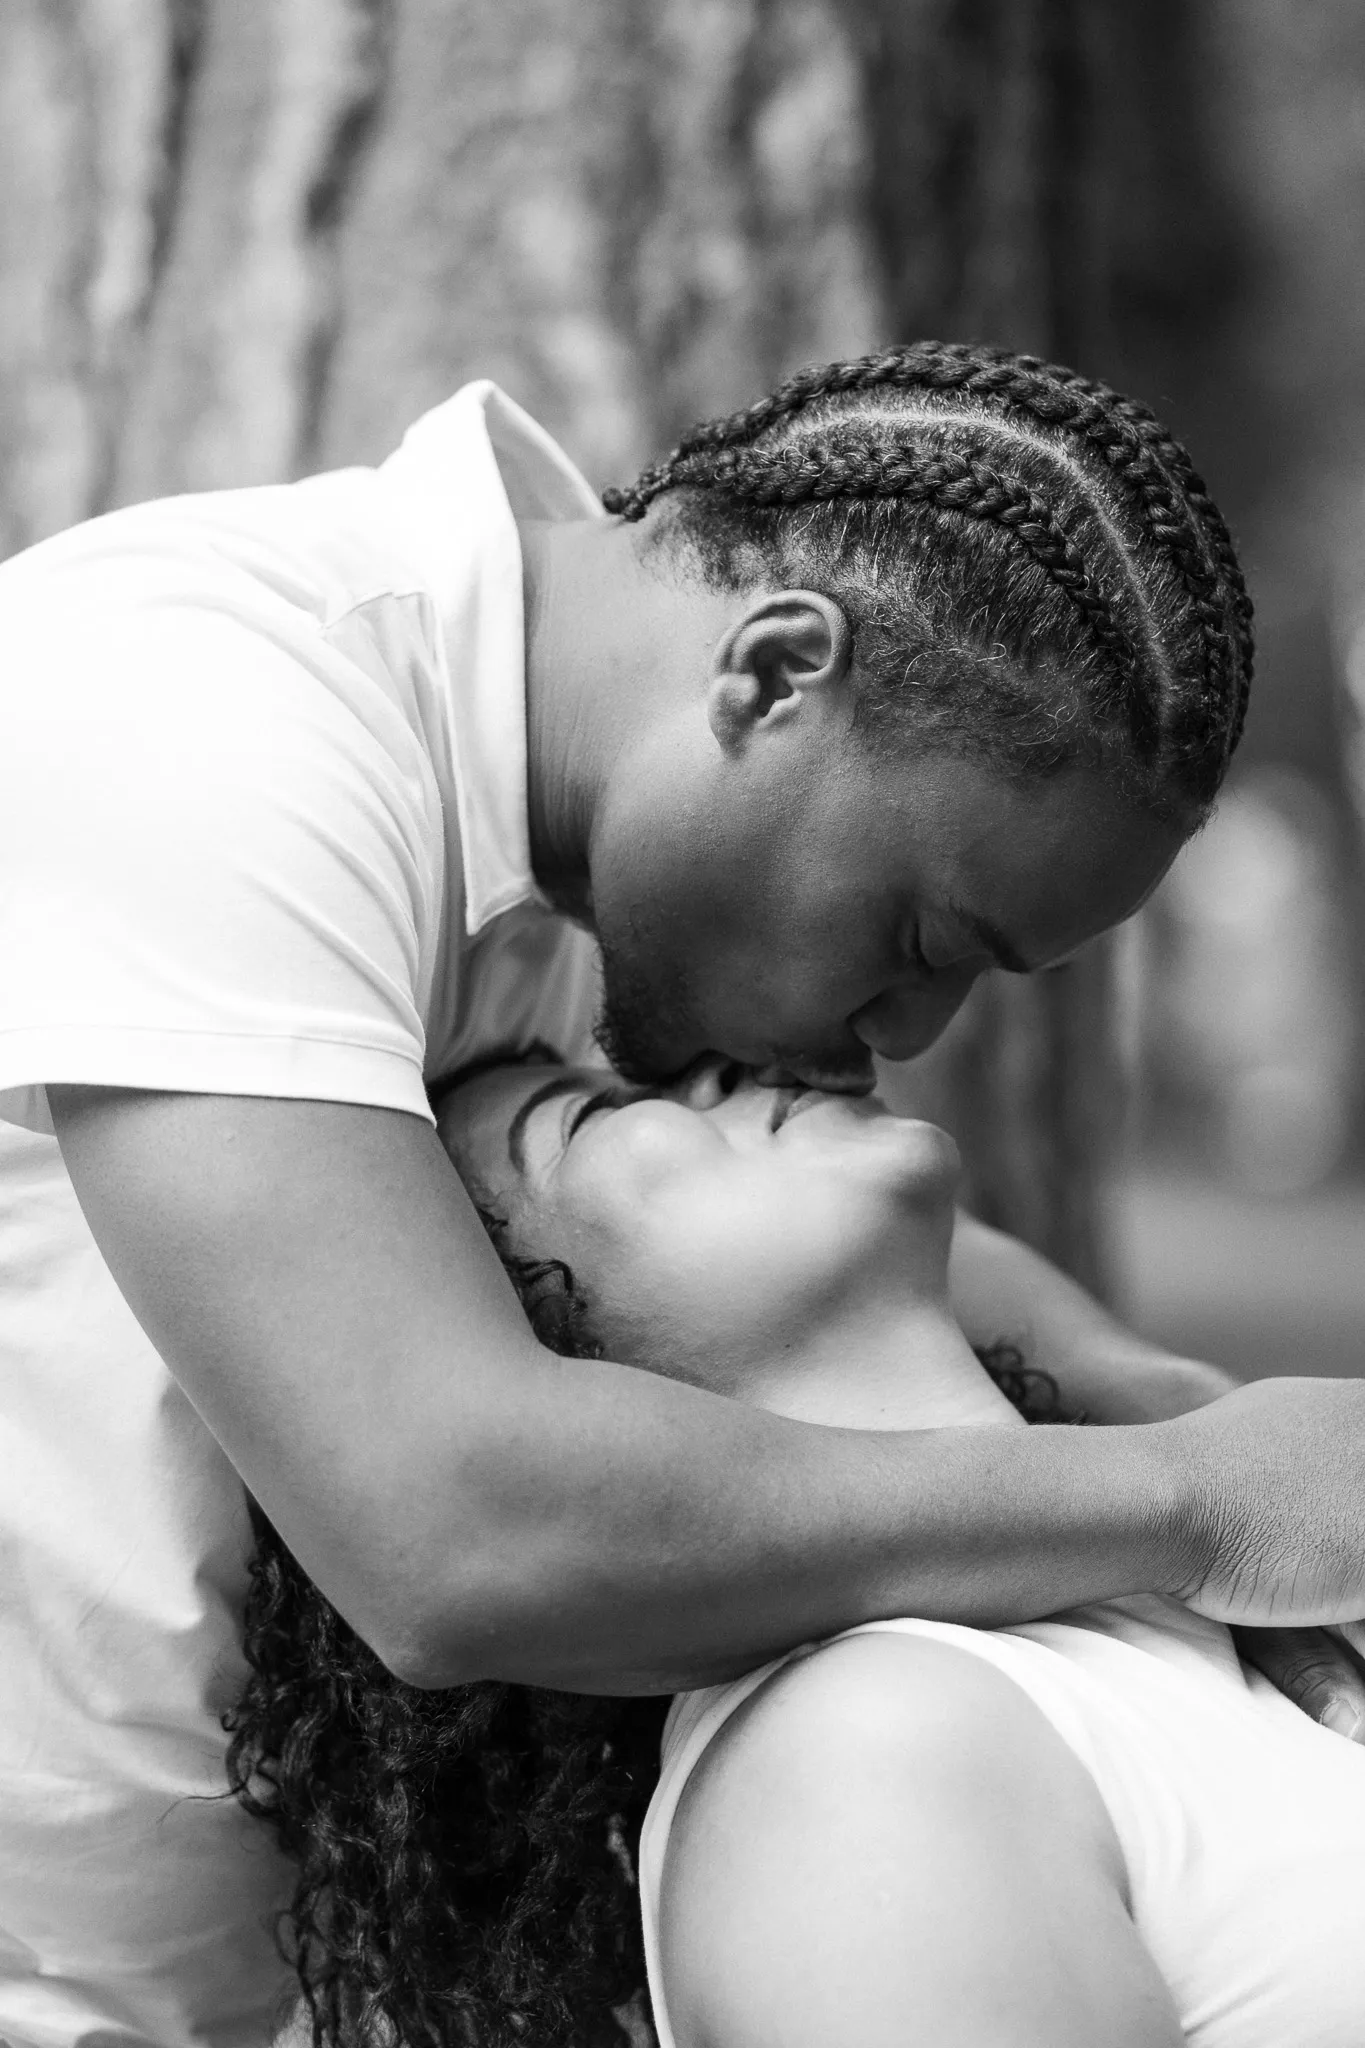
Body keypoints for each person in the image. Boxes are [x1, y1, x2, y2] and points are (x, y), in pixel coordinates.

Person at [3, 341, 1365, 2047]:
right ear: (774, 673)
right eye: (921, 937)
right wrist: (1187, 1497)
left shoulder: (610, 839)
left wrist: (1158, 1394)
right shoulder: (211, 707)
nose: (907, 1043)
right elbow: (451, 1529)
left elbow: (828, 1262)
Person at [229, 1053, 1365, 2048]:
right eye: (593, 1113)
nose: (724, 1069)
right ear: (550, 1351)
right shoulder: (851, 1760)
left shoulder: (1225, 1590)